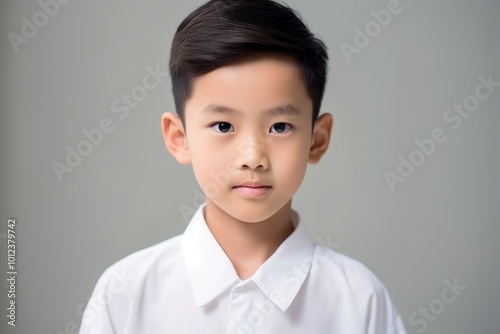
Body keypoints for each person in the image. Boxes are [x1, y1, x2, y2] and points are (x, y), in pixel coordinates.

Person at [80, 0, 407, 333]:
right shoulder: (126, 294)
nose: (253, 157)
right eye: (223, 126)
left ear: (317, 139)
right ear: (179, 138)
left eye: (280, 127)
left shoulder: (360, 300)